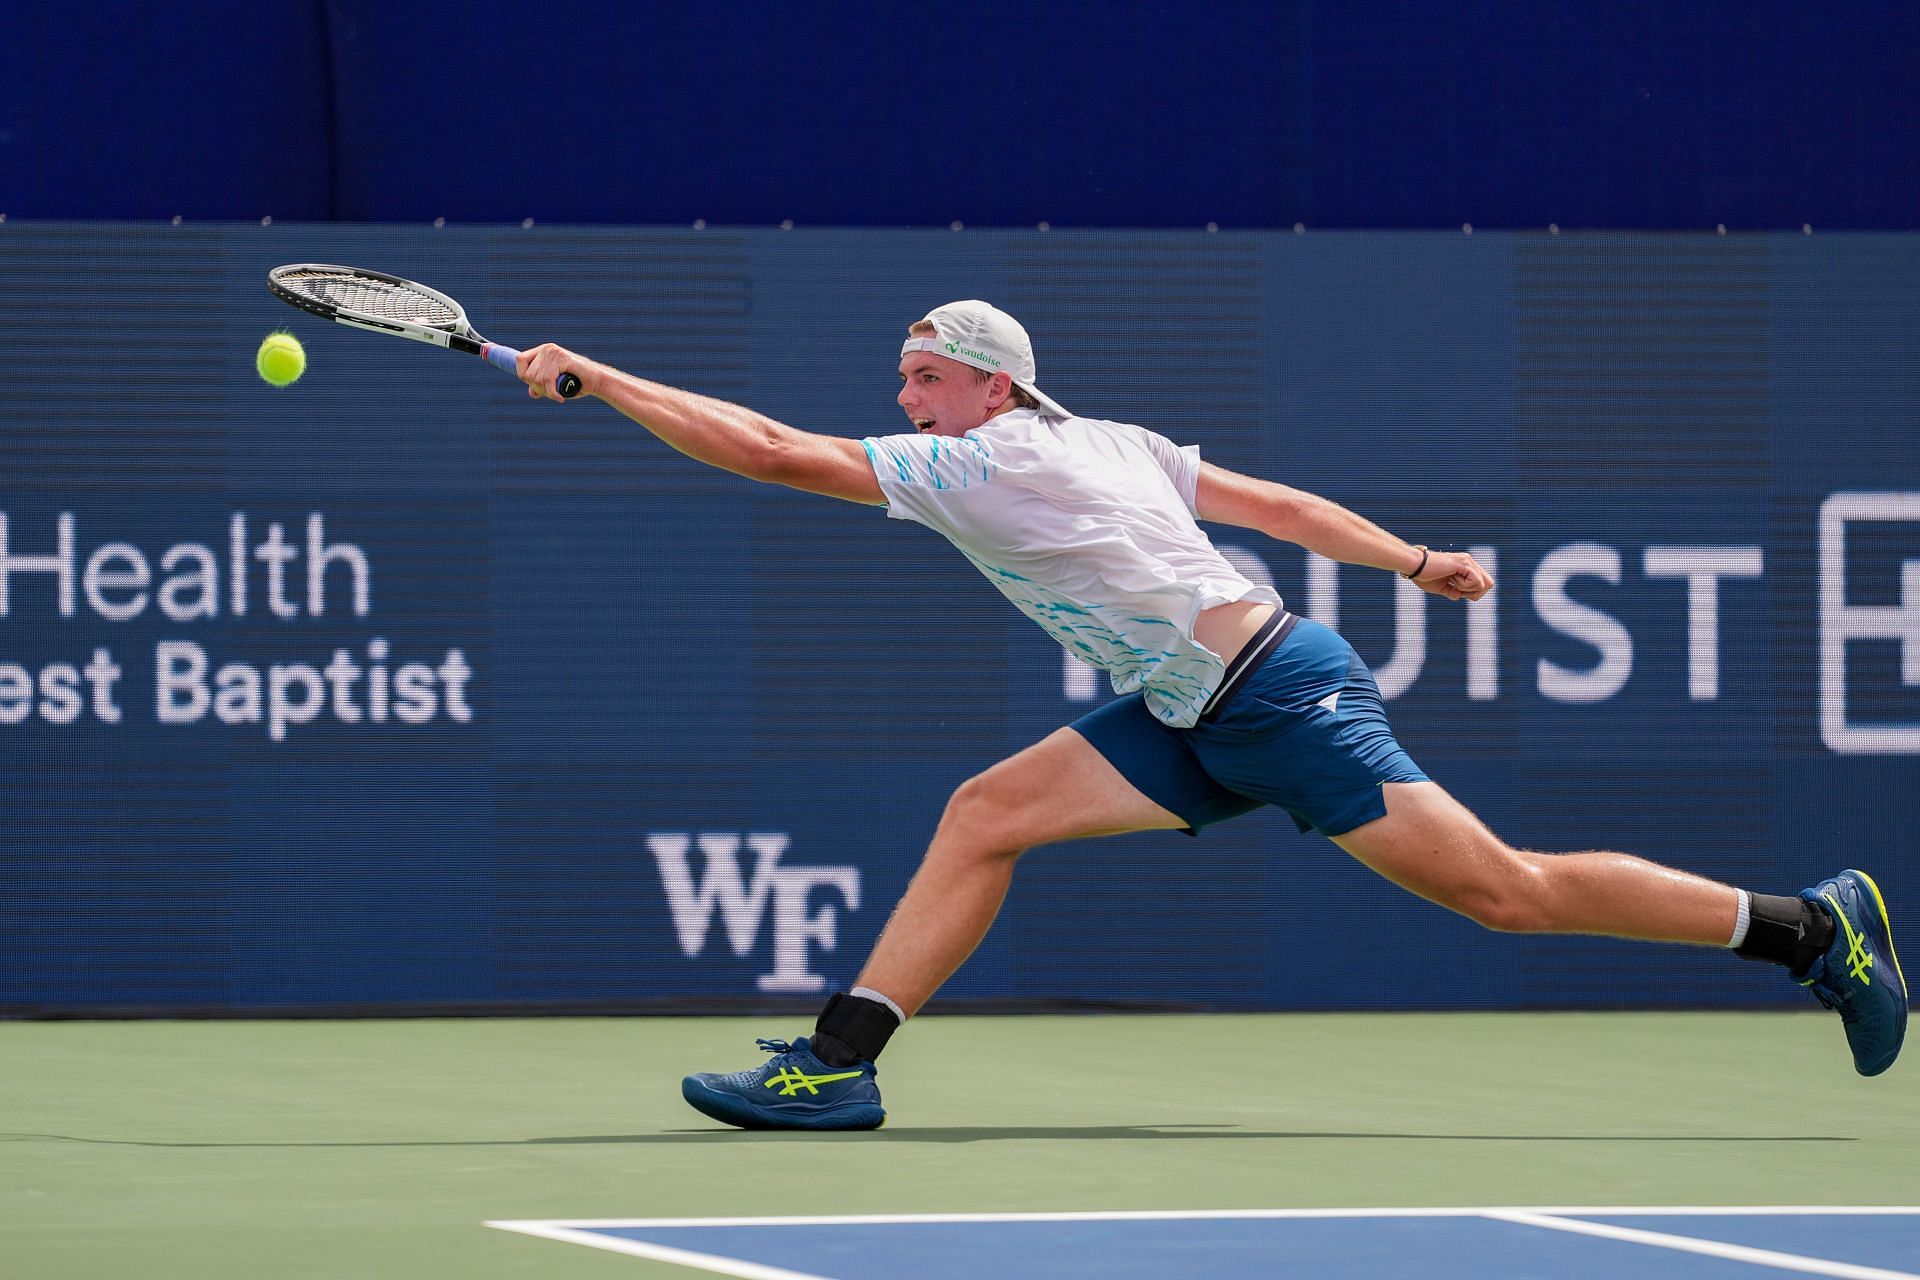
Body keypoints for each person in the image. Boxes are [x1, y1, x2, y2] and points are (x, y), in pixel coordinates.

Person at [512, 301, 1906, 1130]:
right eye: (905, 381)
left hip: (1277, 698)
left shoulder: (981, 462)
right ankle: (840, 1068)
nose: (904, 397)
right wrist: (1416, 561)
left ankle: (1807, 925)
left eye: (923, 375)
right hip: (1198, 698)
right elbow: (1282, 511)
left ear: (993, 384)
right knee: (984, 813)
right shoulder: (1111, 440)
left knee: (1510, 896)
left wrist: (603, 380)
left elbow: (767, 453)